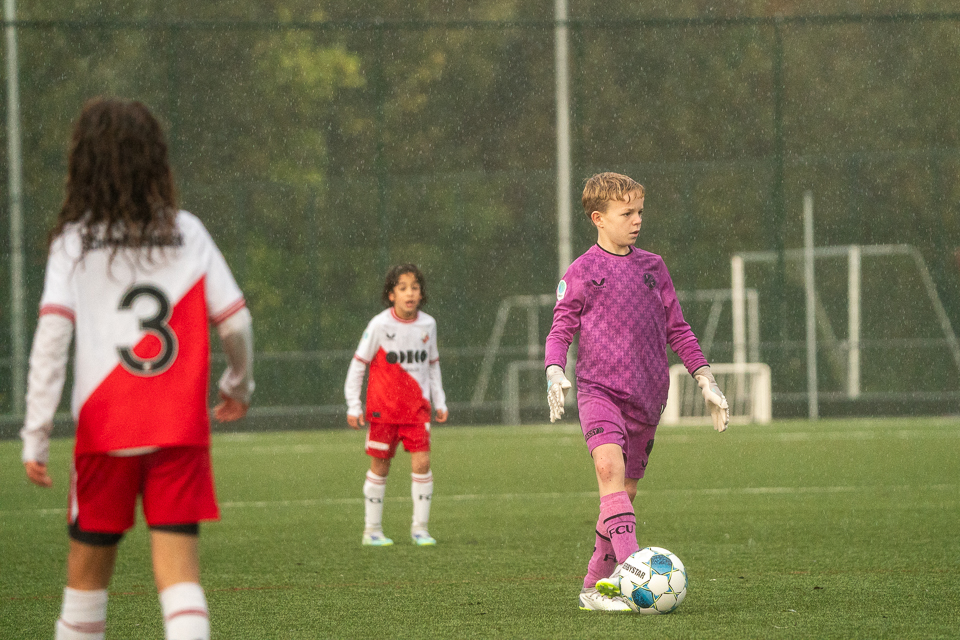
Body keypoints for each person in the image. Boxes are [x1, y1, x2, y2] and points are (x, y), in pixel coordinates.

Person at [20, 98, 255, 640]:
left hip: (106, 430)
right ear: (156, 160)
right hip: (178, 428)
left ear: (84, 164)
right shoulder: (188, 231)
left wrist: (35, 434)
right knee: (180, 582)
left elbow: (51, 340)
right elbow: (236, 321)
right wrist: (237, 384)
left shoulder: (74, 241)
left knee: (85, 588)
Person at [544, 172, 729, 612]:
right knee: (608, 471)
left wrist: (705, 376)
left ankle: (594, 585)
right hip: (598, 391)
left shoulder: (653, 267)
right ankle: (634, 574)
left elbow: (678, 328)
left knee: (622, 497)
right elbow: (561, 328)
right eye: (626, 213)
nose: (637, 220)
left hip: (648, 399)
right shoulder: (583, 272)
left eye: (640, 211)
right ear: (599, 219)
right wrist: (554, 370)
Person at [344, 264, 449, 547]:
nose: (409, 293)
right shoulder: (379, 325)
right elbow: (358, 365)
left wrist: (439, 399)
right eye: (402, 288)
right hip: (383, 410)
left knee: (423, 463)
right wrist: (353, 405)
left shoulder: (428, 325)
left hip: (416, 411)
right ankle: (372, 530)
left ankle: (420, 529)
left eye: (414, 287)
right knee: (380, 466)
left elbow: (433, 365)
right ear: (391, 294)